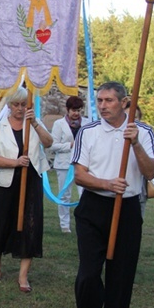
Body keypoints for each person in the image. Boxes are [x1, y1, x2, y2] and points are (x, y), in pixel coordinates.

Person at [71, 82, 154, 308]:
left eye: (109, 100)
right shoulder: (88, 132)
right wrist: (107, 183)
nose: (103, 105)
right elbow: (80, 176)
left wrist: (133, 144)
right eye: (100, 100)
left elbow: (150, 171)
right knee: (88, 275)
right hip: (94, 208)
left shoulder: (142, 132)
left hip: (128, 210)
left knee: (121, 277)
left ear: (125, 102)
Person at [0, 88, 53, 293]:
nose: (20, 108)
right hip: (5, 182)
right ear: (9, 106)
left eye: (24, 104)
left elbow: (49, 143)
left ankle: (23, 276)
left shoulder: (34, 124)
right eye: (16, 104)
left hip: (31, 181)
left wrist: (35, 123)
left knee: (30, 224)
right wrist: (16, 162)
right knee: (0, 222)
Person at [49, 96, 90, 233]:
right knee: (65, 195)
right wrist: (70, 145)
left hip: (83, 164)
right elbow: (53, 145)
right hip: (64, 164)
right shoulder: (59, 124)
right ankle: (64, 224)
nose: (76, 113)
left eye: (79, 110)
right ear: (67, 110)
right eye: (73, 110)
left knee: (84, 194)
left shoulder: (87, 123)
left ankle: (85, 222)